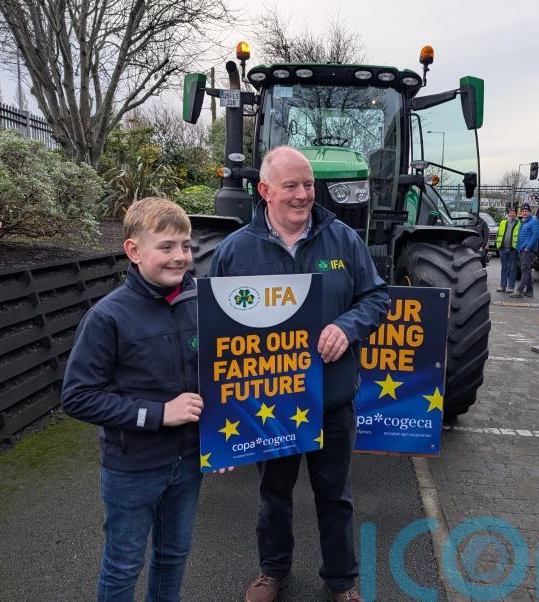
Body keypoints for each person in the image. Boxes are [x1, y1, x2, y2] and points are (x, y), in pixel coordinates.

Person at [209, 146, 389, 602]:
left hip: (330, 400)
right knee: (274, 495)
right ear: (265, 191)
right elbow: (214, 333)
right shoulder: (234, 252)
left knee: (337, 498)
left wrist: (347, 328)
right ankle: (273, 573)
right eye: (291, 185)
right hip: (274, 403)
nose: (303, 194)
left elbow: (376, 299)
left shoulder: (344, 240)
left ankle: (342, 582)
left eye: (308, 185)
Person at [62, 198, 205, 601]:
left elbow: (217, 379)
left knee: (174, 555)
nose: (180, 257)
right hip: (133, 468)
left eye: (186, 246)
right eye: (166, 247)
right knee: (124, 564)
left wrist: (223, 443)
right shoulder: (108, 317)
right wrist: (159, 414)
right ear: (133, 251)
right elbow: (78, 397)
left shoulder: (202, 305)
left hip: (190, 462)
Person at [510, 203, 539, 298]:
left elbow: (536, 235)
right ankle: (530, 291)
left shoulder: (534, 221)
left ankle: (520, 291)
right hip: (521, 249)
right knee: (527, 270)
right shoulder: (523, 221)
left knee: (525, 270)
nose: (524, 213)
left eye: (526, 211)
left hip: (528, 250)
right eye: (523, 211)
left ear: (529, 212)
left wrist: (528, 247)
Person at [495, 206, 519, 292]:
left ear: (516, 214)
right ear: (508, 214)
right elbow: (498, 234)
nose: (512, 214)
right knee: (504, 268)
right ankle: (502, 286)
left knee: (512, 268)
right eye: (510, 213)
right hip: (503, 248)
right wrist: (498, 245)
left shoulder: (519, 223)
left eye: (514, 213)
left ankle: (511, 287)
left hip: (513, 249)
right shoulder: (503, 222)